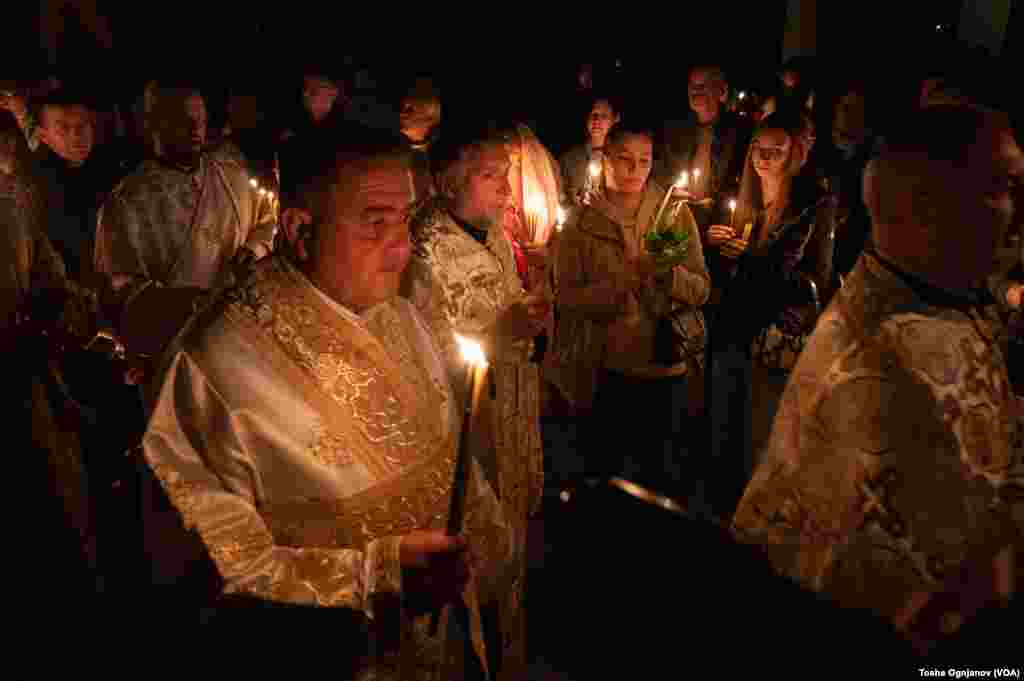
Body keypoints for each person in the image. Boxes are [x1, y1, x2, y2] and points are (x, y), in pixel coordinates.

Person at [141, 128, 512, 675]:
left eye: (406, 219)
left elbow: (451, 460)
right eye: (375, 223)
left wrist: (484, 543)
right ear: (299, 229)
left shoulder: (402, 317)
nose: (403, 248)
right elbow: (210, 574)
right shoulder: (210, 371)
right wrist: (378, 576)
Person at [731, 106, 1024, 657]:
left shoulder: (927, 288)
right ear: (925, 207)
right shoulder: (893, 378)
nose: (1020, 211)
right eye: (1005, 186)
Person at [405, 125, 548, 680]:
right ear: (448, 179)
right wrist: (500, 331)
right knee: (472, 560)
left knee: (512, 548)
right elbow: (422, 357)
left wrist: (533, 324)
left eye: (506, 175)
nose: (507, 191)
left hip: (512, 413)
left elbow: (512, 315)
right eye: (492, 176)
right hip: (466, 431)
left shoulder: (491, 237)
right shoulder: (423, 248)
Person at [549, 124, 710, 497]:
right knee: (607, 481)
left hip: (664, 366)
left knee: (661, 480)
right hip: (605, 370)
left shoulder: (671, 214)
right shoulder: (581, 223)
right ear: (604, 159)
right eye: (624, 159)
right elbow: (567, 298)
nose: (635, 170)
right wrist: (617, 287)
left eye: (644, 161)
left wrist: (668, 277)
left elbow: (701, 288)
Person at [704, 109, 835, 515]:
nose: (763, 159)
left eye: (775, 152)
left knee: (756, 438)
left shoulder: (813, 204)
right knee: (720, 429)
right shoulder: (742, 194)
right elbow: (726, 271)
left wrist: (754, 257)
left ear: (793, 155)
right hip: (732, 326)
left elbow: (815, 279)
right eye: (758, 150)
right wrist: (715, 244)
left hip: (772, 336)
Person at [94, 82, 277, 361]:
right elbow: (123, 296)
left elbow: (266, 220)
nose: (196, 130)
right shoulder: (126, 202)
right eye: (183, 120)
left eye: (200, 121)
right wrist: (193, 304)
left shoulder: (231, 175)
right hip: (175, 351)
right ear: (152, 124)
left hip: (240, 340)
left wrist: (253, 249)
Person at [656, 64, 752, 233]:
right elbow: (661, 169)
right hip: (678, 218)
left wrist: (713, 206)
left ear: (721, 91)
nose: (695, 90)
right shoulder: (673, 129)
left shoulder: (739, 131)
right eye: (692, 85)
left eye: (703, 85)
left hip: (719, 224)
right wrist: (671, 191)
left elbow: (740, 181)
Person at [559, 96, 620, 205]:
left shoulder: (620, 158)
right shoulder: (570, 159)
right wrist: (570, 197)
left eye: (604, 116)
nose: (597, 120)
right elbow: (560, 195)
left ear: (615, 119)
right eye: (594, 115)